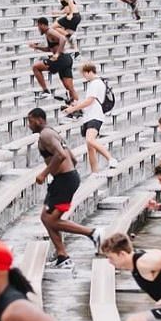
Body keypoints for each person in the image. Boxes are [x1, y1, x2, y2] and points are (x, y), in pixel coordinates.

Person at [29, 108, 101, 269]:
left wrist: (44, 173)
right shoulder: (53, 133)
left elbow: (61, 155)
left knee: (51, 219)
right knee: (46, 218)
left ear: (39, 119)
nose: (29, 125)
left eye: (30, 120)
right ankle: (62, 256)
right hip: (64, 178)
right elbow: (72, 158)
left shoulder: (45, 135)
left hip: (64, 180)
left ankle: (92, 233)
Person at [62, 62, 113, 176]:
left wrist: (72, 109)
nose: (84, 77)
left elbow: (90, 101)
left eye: (84, 74)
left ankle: (111, 159)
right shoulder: (98, 83)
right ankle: (95, 172)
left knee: (90, 140)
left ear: (89, 72)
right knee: (90, 147)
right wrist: (76, 105)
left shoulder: (95, 83)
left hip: (95, 116)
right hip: (90, 115)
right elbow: (89, 102)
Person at [29, 16, 78, 104]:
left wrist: (57, 54)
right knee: (69, 87)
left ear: (43, 25)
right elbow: (50, 49)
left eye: (39, 26)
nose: (38, 29)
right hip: (66, 59)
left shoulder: (49, 31)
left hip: (61, 58)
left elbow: (63, 39)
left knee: (36, 67)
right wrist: (37, 47)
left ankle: (45, 91)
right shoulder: (48, 34)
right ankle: (77, 107)